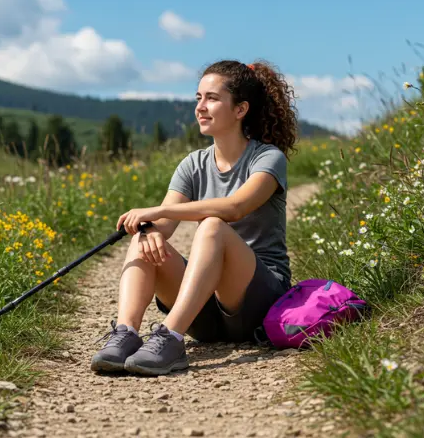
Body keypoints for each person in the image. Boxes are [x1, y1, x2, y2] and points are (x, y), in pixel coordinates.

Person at [91, 59, 299, 376]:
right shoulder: (194, 164)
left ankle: (170, 336)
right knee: (146, 237)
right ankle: (125, 333)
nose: (200, 107)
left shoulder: (268, 158)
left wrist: (158, 210)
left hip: (256, 302)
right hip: (206, 315)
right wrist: (150, 228)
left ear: (240, 109)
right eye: (198, 98)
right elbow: (164, 225)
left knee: (213, 225)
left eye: (212, 98)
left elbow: (233, 208)